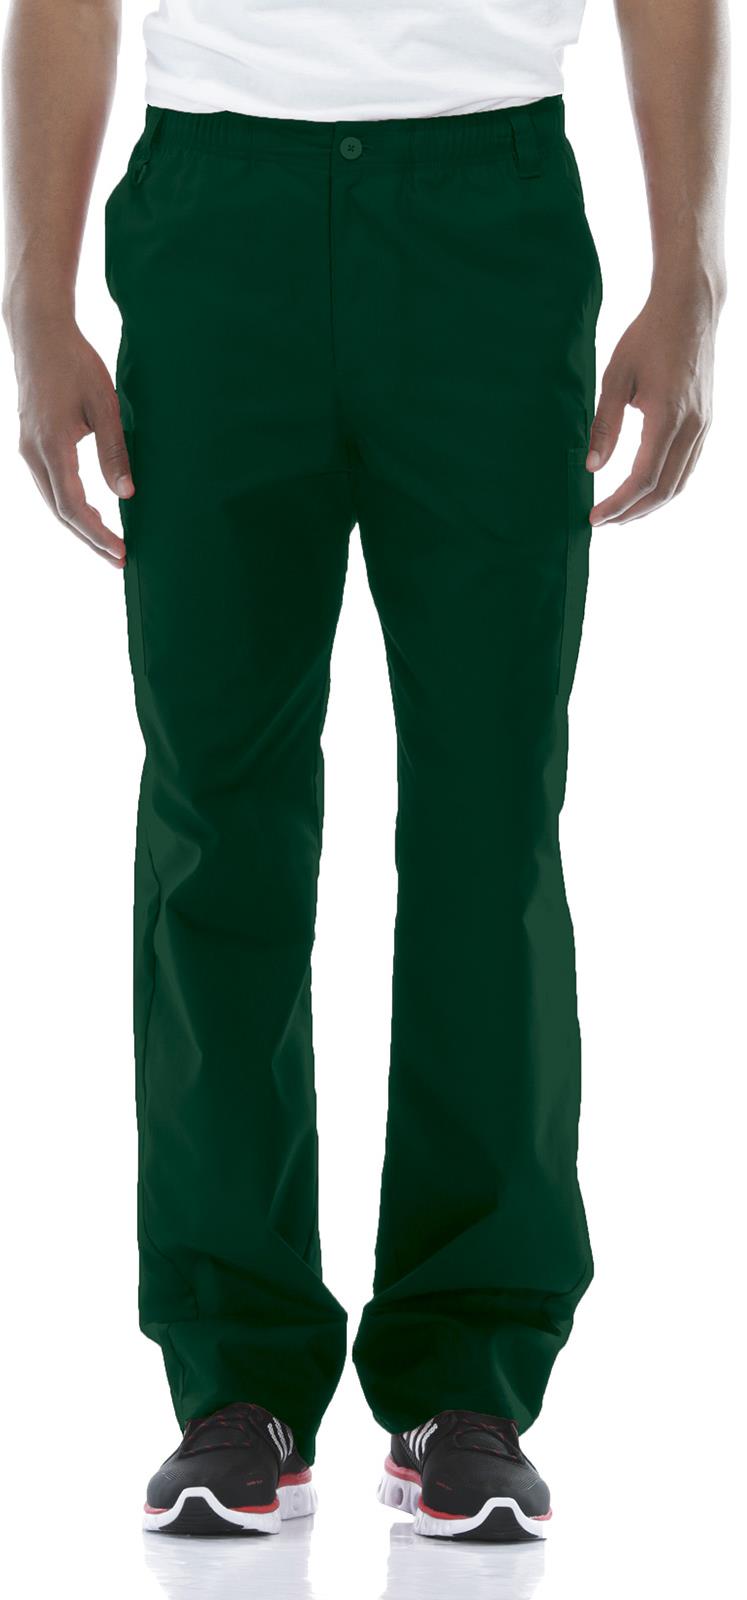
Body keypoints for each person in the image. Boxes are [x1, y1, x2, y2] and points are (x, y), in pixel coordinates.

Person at [2, 0, 729, 1543]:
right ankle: (234, 1379)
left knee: (490, 819)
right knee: (216, 813)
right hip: (216, 216)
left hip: (490, 217)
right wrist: (37, 297)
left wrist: (692, 273)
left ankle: (469, 1380)